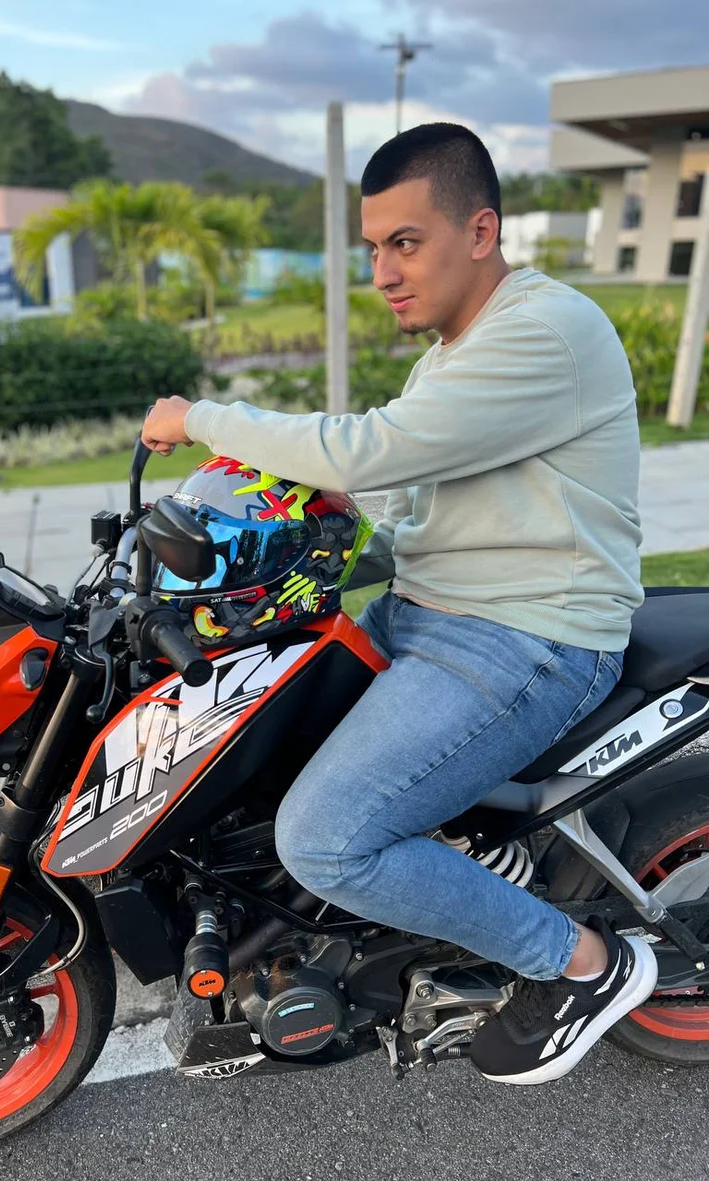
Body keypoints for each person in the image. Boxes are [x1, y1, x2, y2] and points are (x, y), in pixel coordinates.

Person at [141, 122, 658, 1085]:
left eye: (406, 243)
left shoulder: (545, 330)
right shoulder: (456, 352)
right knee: (244, 725)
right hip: (429, 609)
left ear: (481, 230)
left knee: (326, 838)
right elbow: (396, 496)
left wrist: (202, 417)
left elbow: (371, 448)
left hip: (527, 637)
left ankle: (583, 965)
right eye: (374, 247)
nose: (382, 271)